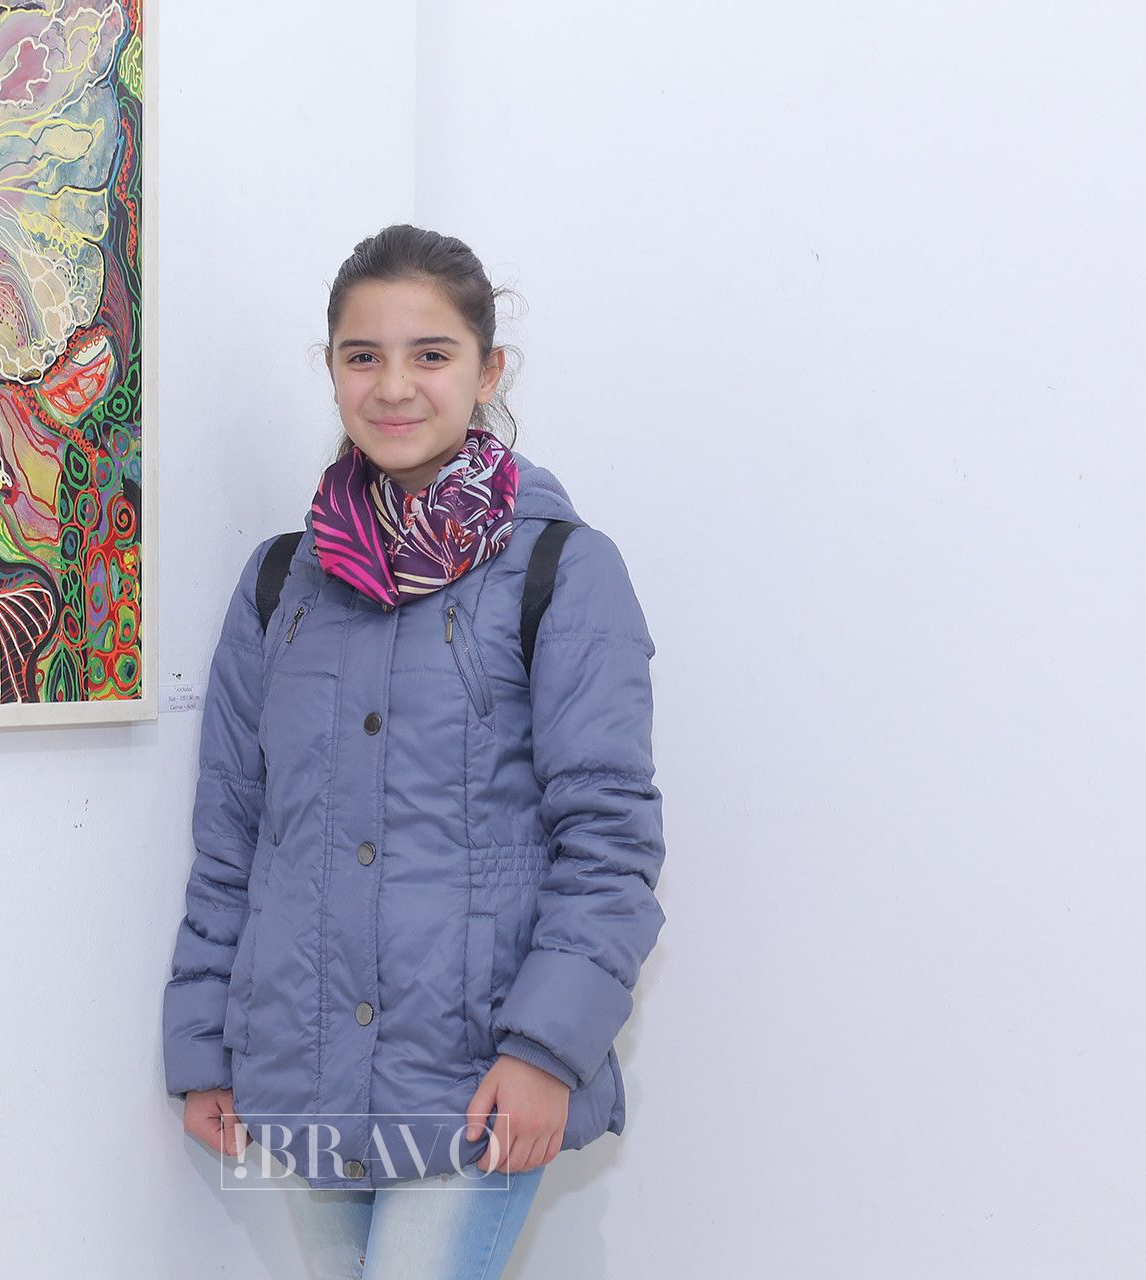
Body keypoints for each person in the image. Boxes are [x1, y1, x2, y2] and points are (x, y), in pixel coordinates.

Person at [161, 224, 666, 1279]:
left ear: (489, 370)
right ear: (332, 368)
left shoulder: (565, 571)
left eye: (430, 353)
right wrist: (205, 1045)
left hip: (477, 1081)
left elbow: (610, 845)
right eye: (363, 355)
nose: (393, 386)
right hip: (301, 1074)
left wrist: (545, 1052)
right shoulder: (280, 583)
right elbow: (234, 836)